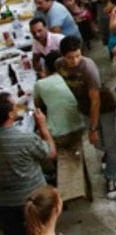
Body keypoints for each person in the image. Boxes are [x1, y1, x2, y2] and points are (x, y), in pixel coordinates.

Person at [54, 36, 116, 199]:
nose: (74, 61)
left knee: (110, 144)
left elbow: (95, 101)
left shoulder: (88, 68)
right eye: (70, 57)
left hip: (104, 107)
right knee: (97, 143)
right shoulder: (59, 65)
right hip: (84, 107)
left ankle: (111, 178)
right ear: (62, 56)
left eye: (77, 56)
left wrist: (93, 128)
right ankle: (105, 154)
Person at [0, 93, 56, 235]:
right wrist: (43, 126)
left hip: (6, 204)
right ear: (11, 114)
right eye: (15, 105)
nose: (20, 107)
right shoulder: (25, 139)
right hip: (35, 200)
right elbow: (51, 153)